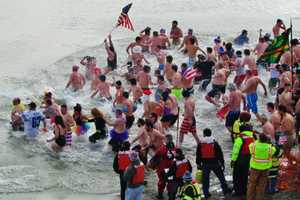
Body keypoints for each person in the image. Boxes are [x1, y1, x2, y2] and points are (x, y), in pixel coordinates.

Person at [196, 128, 231, 199]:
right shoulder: (214, 142)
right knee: (221, 177)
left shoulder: (200, 143)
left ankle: (206, 193)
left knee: (205, 180)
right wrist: (222, 162)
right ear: (210, 134)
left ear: (204, 134)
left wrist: (198, 164)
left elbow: (198, 154)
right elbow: (220, 153)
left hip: (205, 164)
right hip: (215, 162)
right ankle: (225, 190)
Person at [247, 134, 276, 200]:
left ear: (259, 139)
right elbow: (274, 150)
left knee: (252, 184)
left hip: (255, 168)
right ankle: (259, 198)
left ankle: (249, 198)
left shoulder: (253, 146)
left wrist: (257, 141)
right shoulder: (270, 148)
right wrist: (269, 143)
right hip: (265, 168)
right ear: (266, 140)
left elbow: (251, 146)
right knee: (262, 185)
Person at [231, 124, 255, 197]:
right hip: (249, 159)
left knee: (237, 176)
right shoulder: (253, 137)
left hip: (240, 159)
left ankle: (237, 191)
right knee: (245, 175)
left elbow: (235, 151)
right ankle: (244, 190)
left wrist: (233, 161)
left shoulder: (240, 138)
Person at [149, 134, 175, 199]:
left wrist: (151, 165)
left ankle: (160, 195)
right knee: (170, 182)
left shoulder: (163, 148)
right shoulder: (174, 148)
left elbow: (156, 156)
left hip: (162, 168)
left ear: (167, 140)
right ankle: (170, 195)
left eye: (165, 139)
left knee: (161, 181)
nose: (164, 140)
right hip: (171, 168)